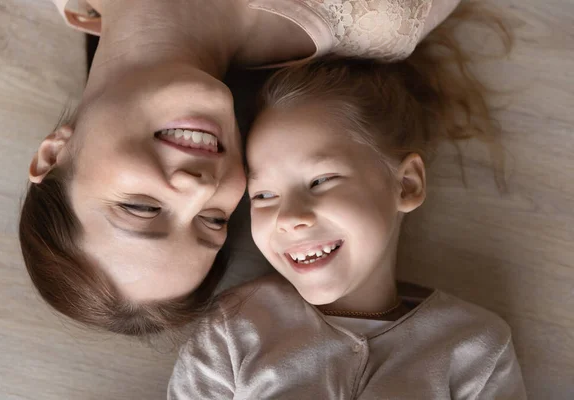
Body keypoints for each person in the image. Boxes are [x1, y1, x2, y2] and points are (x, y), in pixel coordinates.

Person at [19, 0, 461, 336]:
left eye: (141, 208)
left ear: (54, 155)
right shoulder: (383, 14)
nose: (198, 187)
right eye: (213, 219)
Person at [168, 8, 526, 399]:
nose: (289, 218)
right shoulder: (234, 329)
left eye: (321, 180)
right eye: (264, 195)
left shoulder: (476, 350)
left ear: (405, 185)